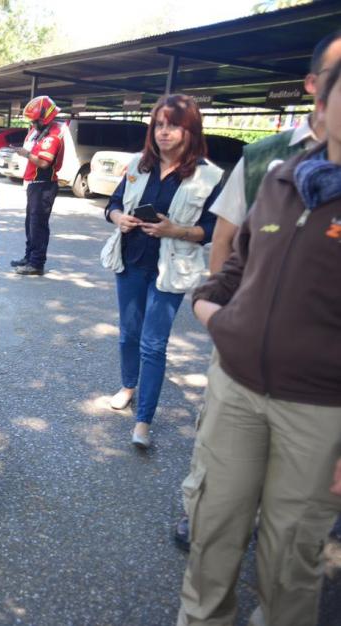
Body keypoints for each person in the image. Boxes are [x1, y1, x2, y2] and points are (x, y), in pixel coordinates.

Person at [177, 59, 341, 626]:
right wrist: (209, 308)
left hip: (321, 412)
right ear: (322, 104)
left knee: (290, 557)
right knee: (213, 529)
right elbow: (240, 264)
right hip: (235, 391)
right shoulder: (279, 177)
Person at [100, 94, 222, 449]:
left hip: (172, 269)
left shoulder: (208, 175)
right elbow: (113, 203)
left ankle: (143, 421)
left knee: (153, 344)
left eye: (173, 126)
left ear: (190, 130)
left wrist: (177, 230)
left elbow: (215, 229)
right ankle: (128, 385)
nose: (164, 133)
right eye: (159, 125)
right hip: (131, 261)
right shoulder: (139, 164)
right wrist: (118, 217)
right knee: (128, 334)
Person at [207, 30, 341, 274]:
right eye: (336, 74)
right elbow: (223, 241)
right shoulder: (260, 158)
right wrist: (219, 309)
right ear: (312, 83)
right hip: (255, 309)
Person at [11, 96, 66, 276]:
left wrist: (26, 154)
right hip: (35, 185)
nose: (33, 124)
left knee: (38, 225)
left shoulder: (53, 136)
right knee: (30, 224)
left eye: (35, 120)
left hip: (44, 186)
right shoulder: (40, 132)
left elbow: (43, 163)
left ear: (44, 118)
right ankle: (29, 257)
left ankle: (36, 263)